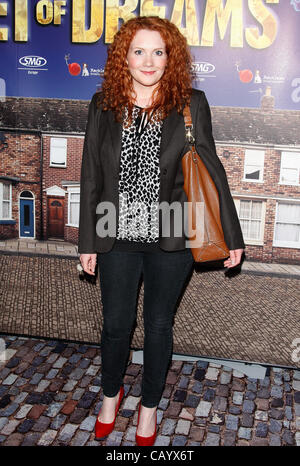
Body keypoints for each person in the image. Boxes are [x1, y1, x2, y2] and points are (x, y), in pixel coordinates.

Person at [78, 16, 245, 446]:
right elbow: (92, 174)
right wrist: (88, 242)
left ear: (170, 57)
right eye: (138, 51)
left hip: (171, 235)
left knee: (157, 325)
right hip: (115, 232)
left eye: (158, 51)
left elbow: (211, 169)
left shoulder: (191, 102)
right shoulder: (104, 104)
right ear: (124, 58)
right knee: (116, 325)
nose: (148, 61)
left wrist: (232, 235)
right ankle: (111, 397)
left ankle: (149, 408)